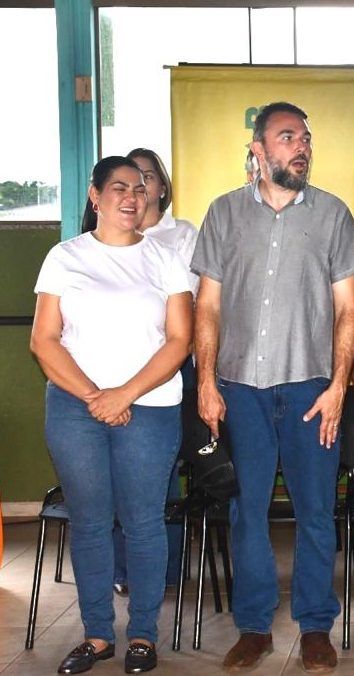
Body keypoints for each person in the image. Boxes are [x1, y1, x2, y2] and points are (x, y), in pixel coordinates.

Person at [192, 101, 354, 673]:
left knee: (316, 511)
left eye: (306, 139)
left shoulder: (333, 215)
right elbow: (207, 307)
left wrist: (339, 386)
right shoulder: (223, 214)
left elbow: (349, 310)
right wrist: (205, 382)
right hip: (239, 389)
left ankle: (315, 627)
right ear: (258, 150)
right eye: (288, 137)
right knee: (247, 510)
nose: (302, 147)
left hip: (312, 390)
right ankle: (254, 627)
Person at [30, 155, 193, 674]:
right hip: (75, 408)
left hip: (150, 406)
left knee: (143, 523)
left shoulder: (165, 258)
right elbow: (44, 340)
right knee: (91, 523)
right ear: (95, 196)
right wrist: (95, 396)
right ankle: (97, 635)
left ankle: (143, 634)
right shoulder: (64, 257)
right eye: (119, 187)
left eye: (140, 188)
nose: (132, 196)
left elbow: (180, 340)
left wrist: (123, 395)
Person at [110, 147, 200, 596]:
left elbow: (184, 311)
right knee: (115, 475)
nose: (137, 188)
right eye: (126, 182)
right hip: (109, 375)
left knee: (161, 473)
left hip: (168, 368)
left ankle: (165, 570)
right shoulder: (99, 240)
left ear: (161, 187)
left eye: (146, 177)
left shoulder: (180, 236)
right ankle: (122, 570)